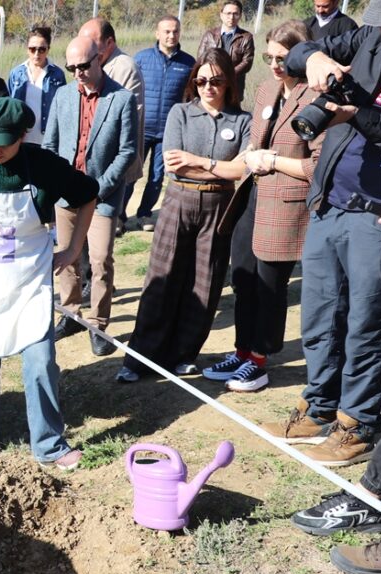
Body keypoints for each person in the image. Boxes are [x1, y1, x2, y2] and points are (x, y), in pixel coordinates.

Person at [262, 0, 381, 466]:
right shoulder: (370, 38)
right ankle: (319, 406)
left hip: (380, 214)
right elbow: (301, 51)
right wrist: (311, 58)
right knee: (317, 317)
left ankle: (356, 424)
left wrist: (355, 113)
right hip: (330, 202)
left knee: (365, 326)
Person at [0, 97, 98, 469]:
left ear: (22, 135)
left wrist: (73, 248)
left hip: (29, 280)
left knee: (41, 361)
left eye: (3, 141)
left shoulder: (42, 166)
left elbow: (87, 194)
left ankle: (49, 444)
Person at [201, 21, 322, 393]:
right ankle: (241, 351)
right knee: (243, 280)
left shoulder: (316, 98)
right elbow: (255, 143)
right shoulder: (267, 89)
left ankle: (260, 360)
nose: (274, 65)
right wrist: (249, 157)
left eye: (282, 58)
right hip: (252, 198)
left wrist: (273, 162)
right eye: (269, 56)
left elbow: (317, 166)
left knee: (270, 287)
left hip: (285, 207)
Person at [116, 49, 251, 383]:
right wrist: (221, 168)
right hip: (179, 201)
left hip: (219, 207)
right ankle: (139, 359)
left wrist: (203, 164)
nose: (208, 87)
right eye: (201, 80)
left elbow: (242, 170)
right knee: (163, 280)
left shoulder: (243, 121)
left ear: (228, 83)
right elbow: (173, 162)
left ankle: (183, 354)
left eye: (216, 80)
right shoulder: (180, 112)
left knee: (205, 283)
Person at [44, 36, 137, 355]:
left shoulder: (121, 99)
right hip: (67, 195)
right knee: (67, 257)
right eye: (72, 68)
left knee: (100, 261)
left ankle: (98, 324)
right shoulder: (62, 95)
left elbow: (127, 152)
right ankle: (71, 314)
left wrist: (99, 188)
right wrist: (56, 182)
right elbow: (50, 146)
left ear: (99, 59)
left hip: (103, 195)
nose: (78, 73)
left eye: (84, 65)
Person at [78, 18, 146, 238]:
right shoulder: (89, 63)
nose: (85, 45)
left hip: (111, 162)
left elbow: (121, 121)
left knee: (103, 233)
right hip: (90, 162)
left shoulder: (124, 67)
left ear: (109, 42)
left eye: (92, 41)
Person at [132, 16, 197, 232]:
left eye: (175, 31)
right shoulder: (141, 59)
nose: (171, 35)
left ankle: (144, 214)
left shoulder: (188, 63)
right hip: (141, 128)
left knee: (157, 176)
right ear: (157, 33)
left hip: (168, 131)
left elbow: (190, 98)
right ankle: (120, 216)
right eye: (167, 31)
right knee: (131, 173)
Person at [7, 25, 67, 146]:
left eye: (41, 49)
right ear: (27, 49)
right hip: (20, 136)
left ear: (48, 49)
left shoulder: (57, 75)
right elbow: (9, 104)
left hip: (46, 137)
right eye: (32, 49)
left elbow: (63, 106)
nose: (36, 54)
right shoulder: (16, 74)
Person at [197, 0, 256, 102]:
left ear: (240, 15)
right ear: (221, 15)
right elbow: (200, 58)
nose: (231, 17)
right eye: (228, 13)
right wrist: (214, 75)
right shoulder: (209, 35)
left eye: (235, 14)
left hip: (234, 86)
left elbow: (247, 62)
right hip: (211, 85)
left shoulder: (246, 37)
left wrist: (228, 75)